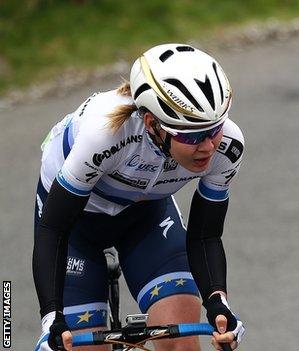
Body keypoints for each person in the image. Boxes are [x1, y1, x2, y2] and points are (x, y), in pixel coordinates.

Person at [32, 43, 245, 351]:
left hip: (146, 215)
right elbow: (54, 230)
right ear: (151, 124)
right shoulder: (105, 134)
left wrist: (218, 301)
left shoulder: (229, 146)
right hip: (75, 225)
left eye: (214, 129)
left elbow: (206, 236)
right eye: (192, 135)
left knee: (182, 342)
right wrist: (52, 318)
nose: (209, 146)